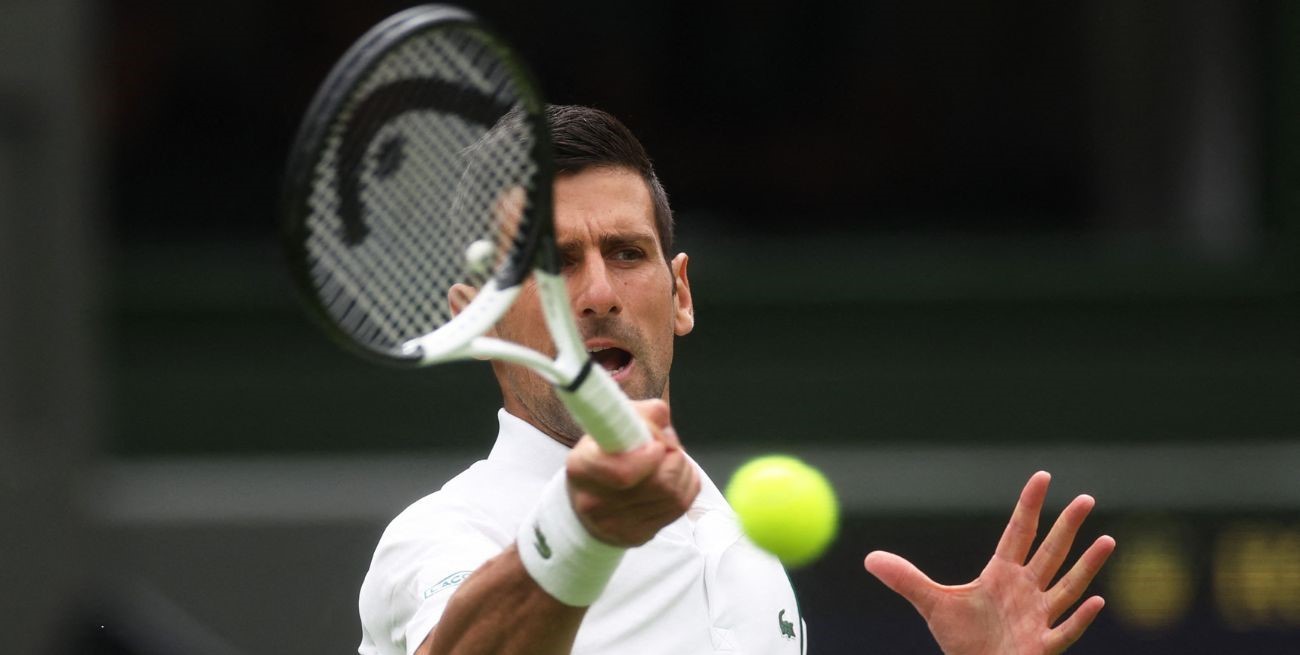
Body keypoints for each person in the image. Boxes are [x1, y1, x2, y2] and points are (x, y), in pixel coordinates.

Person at [357, 105, 1116, 655]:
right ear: (477, 318)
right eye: (553, 264)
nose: (596, 293)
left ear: (679, 293)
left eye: (626, 252)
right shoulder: (439, 536)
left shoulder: (739, 547)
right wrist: (584, 530)